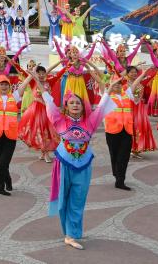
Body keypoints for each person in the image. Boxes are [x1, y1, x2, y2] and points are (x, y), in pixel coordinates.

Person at [41, 67, 114, 250]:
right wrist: (38, 82)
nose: (75, 105)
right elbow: (48, 101)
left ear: (83, 107)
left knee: (78, 200)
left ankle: (71, 234)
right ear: (66, 107)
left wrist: (108, 90)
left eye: (78, 103)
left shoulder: (90, 122)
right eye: (71, 103)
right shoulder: (59, 120)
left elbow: (102, 105)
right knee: (63, 200)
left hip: (83, 166)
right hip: (63, 164)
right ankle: (69, 230)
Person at [103, 72, 147, 191]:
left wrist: (144, 74)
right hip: (112, 130)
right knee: (114, 155)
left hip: (127, 130)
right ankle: (117, 173)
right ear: (110, 85)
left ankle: (120, 180)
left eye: (119, 83)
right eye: (115, 84)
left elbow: (135, 83)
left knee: (124, 156)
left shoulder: (126, 94)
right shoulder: (107, 95)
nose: (117, 85)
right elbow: (100, 81)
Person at [0, 74, 29, 194]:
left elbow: (24, 85)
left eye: (6, 84)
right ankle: (8, 179)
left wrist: (31, 75)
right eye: (1, 84)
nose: (4, 86)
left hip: (10, 134)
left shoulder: (14, 97)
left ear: (9, 86)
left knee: (4, 161)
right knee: (0, 162)